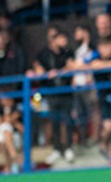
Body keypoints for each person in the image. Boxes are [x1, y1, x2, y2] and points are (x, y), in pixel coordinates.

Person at [31, 29, 76, 165]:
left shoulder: (68, 52)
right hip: (51, 93)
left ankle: (68, 148)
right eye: (61, 38)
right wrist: (46, 73)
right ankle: (57, 149)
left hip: (66, 92)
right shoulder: (43, 54)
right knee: (54, 121)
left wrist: (60, 72)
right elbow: (37, 68)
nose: (64, 41)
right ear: (53, 40)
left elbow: (72, 66)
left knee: (68, 120)